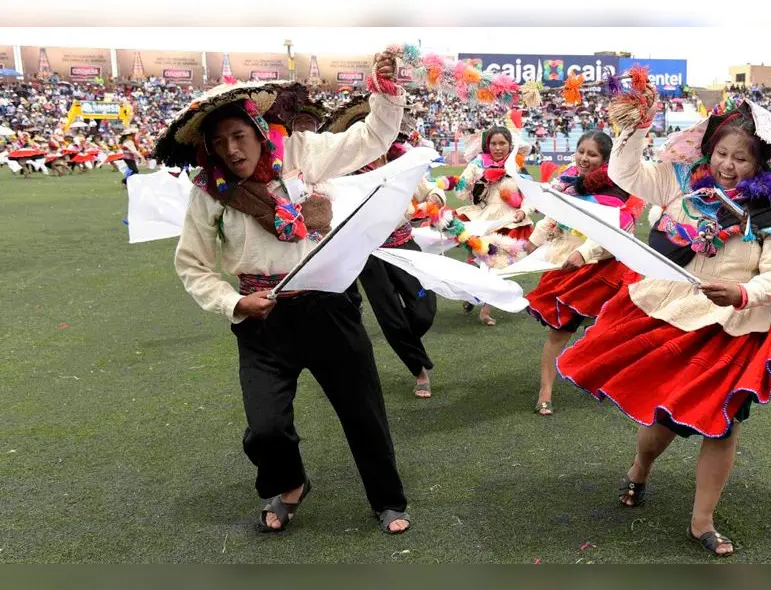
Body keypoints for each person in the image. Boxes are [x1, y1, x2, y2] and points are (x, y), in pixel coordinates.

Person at [556, 97, 771, 557]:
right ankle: (640, 467)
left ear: (760, 162)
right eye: (722, 154)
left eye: (741, 158)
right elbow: (627, 175)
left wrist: (741, 293)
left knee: (723, 425)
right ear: (708, 149)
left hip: (732, 328)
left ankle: (702, 521)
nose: (728, 165)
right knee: (665, 419)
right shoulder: (678, 181)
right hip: (672, 315)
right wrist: (634, 130)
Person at [157, 53, 413, 536]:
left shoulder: (301, 152)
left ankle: (387, 499)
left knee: (363, 413)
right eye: (219, 142)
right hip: (259, 318)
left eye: (238, 136)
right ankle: (290, 482)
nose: (232, 150)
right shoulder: (209, 191)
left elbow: (373, 138)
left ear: (258, 129)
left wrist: (385, 91)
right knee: (265, 428)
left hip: (327, 306)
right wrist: (234, 303)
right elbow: (192, 265)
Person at [326, 98, 444, 399]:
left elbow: (428, 188)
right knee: (390, 316)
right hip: (369, 254)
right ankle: (418, 369)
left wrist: (436, 198)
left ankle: (405, 341)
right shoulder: (347, 174)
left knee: (424, 308)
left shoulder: (398, 159)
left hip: (405, 244)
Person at [524, 131, 644, 416]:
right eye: (581, 152)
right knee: (559, 332)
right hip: (568, 266)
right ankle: (545, 391)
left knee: (614, 330)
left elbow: (617, 231)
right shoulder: (568, 182)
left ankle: (614, 381)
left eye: (592, 155)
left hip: (605, 270)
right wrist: (533, 241)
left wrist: (585, 253)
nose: (584, 159)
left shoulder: (617, 189)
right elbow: (552, 218)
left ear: (605, 160)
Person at [455, 125, 534, 326]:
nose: (498, 148)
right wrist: (474, 182)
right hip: (484, 219)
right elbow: (460, 193)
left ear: (510, 145)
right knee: (474, 260)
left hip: (510, 222)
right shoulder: (477, 165)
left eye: (502, 143)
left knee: (497, 265)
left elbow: (531, 197)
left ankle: (485, 309)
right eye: (493, 144)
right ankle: (473, 294)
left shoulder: (517, 167)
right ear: (487, 145)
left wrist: (523, 211)